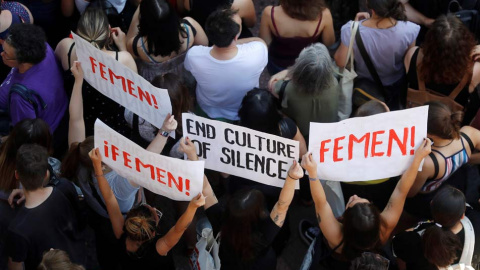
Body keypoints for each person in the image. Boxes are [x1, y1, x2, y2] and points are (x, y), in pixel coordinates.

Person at [61, 61, 177, 269]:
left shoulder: (77, 153)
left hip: (99, 218)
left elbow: (76, 119)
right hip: (124, 222)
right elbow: (145, 162)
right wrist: (166, 132)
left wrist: (78, 81)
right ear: (105, 161)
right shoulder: (120, 184)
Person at [301, 138, 431, 269]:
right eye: (364, 201)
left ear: (345, 222)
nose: (354, 195)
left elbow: (321, 203)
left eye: (351, 202)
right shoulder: (385, 227)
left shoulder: (335, 234)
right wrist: (417, 159)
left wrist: (312, 173)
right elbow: (401, 190)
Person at [180, 136, 302, 269]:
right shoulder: (264, 236)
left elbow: (205, 188)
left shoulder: (220, 224)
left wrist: (193, 156)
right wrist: (291, 178)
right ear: (259, 215)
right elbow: (282, 206)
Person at [89, 145, 205, 269]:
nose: (154, 209)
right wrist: (192, 207)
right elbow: (178, 229)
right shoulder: (158, 247)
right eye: (156, 213)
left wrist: (97, 167)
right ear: (153, 233)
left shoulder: (121, 235)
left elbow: (109, 198)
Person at [55, 7, 137, 137]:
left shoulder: (66, 47)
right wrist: (123, 47)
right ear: (109, 31)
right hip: (112, 131)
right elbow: (134, 97)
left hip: (77, 128)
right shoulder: (123, 60)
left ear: (77, 33)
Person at [6, 144, 86, 270]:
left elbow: (15, 266)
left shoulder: (18, 229)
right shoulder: (65, 187)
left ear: (17, 175)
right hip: (77, 261)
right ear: (46, 174)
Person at [184, 8, 267, 122]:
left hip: (208, 109)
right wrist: (234, 43)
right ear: (236, 37)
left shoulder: (194, 55)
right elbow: (259, 41)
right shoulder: (257, 51)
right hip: (244, 109)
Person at [334, 0, 420, 110]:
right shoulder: (410, 30)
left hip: (365, 89)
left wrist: (354, 27)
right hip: (396, 87)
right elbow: (409, 61)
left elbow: (340, 62)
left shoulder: (350, 30)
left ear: (371, 9)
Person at [405, 101, 480, 218]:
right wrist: (467, 159)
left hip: (429, 199)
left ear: (430, 134)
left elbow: (410, 193)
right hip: (457, 181)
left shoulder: (428, 162)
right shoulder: (469, 133)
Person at [0, 24, 67, 143]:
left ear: (23, 61)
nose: (2, 54)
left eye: (6, 54)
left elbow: (26, 135)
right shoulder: (42, 48)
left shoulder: (20, 97)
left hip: (49, 135)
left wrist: (3, 142)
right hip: (61, 113)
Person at [393, 186, 480, 269]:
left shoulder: (414, 240)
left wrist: (411, 231)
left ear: (431, 204)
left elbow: (396, 247)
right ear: (462, 215)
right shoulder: (476, 222)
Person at [404, 15, 480, 110]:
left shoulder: (412, 56)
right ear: (466, 44)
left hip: (415, 119)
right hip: (446, 123)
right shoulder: (474, 71)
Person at [268, 43, 339, 138]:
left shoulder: (286, 88)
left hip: (301, 134)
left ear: (300, 67)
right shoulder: (334, 82)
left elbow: (271, 84)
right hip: (328, 133)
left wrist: (287, 72)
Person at [126, 0, 207, 82]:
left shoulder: (139, 46)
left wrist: (141, 7)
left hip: (158, 83)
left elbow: (128, 50)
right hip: (187, 78)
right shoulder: (189, 28)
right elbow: (204, 46)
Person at [259, 0, 335, 74]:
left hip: (278, 64)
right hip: (308, 66)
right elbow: (329, 42)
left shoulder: (270, 13)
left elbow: (265, 42)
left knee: (277, 85)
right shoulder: (323, 15)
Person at [183, 0, 256, 38]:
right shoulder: (242, 2)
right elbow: (251, 23)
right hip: (235, 46)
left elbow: (184, 9)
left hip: (205, 43)